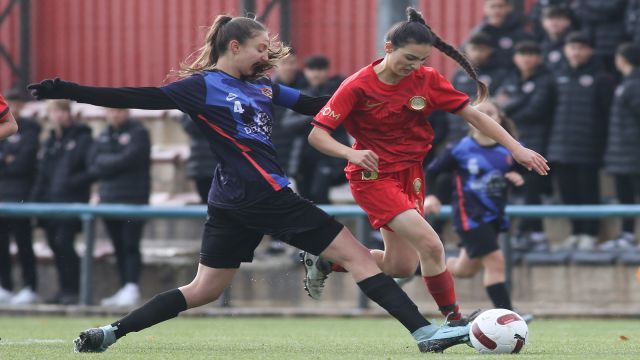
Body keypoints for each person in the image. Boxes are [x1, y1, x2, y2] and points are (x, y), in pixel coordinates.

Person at [29, 15, 476, 354]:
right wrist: (68, 89)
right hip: (264, 193)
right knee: (360, 258)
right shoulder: (200, 87)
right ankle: (424, 333)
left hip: (230, 199)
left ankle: (110, 333)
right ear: (235, 45)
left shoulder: (263, 88)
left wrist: (388, 92)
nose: (267, 56)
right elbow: (135, 97)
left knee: (203, 290)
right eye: (261, 48)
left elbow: (323, 105)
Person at [303, 7, 548, 326]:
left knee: (400, 266)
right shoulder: (357, 85)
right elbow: (317, 135)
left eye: (422, 60)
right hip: (373, 175)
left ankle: (327, 260)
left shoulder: (426, 79)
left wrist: (516, 148)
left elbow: (474, 115)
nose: (415, 67)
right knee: (432, 245)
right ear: (389, 48)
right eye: (410, 58)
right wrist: (350, 154)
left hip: (411, 174)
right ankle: (455, 321)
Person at [424, 101, 525, 313]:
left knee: (465, 269)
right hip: (469, 216)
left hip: (495, 216)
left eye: (491, 113)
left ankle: (416, 270)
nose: (486, 117)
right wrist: (432, 196)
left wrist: (516, 176)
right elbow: (432, 172)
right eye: (480, 114)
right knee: (496, 262)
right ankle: (508, 315)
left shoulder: (510, 149)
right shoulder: (460, 149)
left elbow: (523, 173)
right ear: (470, 119)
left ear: (499, 119)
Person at [547, 32, 613, 250]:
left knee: (588, 192)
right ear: (565, 51)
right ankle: (575, 232)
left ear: (590, 51)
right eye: (572, 48)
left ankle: (590, 233)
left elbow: (607, 115)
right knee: (568, 193)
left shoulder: (602, 78)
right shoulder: (557, 76)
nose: (576, 52)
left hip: (588, 146)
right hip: (560, 146)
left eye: (581, 48)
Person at [30, 99, 94, 305]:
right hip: (50, 203)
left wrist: (70, 183)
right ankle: (63, 289)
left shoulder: (83, 137)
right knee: (54, 245)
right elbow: (42, 174)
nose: (58, 115)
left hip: (71, 202)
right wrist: (35, 201)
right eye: (54, 111)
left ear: (69, 113)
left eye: (62, 111)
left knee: (64, 243)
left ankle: (73, 290)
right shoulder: (50, 142)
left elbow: (90, 170)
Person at [494, 41, 554, 252]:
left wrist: (511, 106)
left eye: (531, 54)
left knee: (532, 185)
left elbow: (536, 109)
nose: (526, 59)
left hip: (538, 143)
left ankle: (533, 231)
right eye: (522, 54)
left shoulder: (546, 80)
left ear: (539, 58)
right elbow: (498, 106)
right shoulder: (510, 78)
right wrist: (520, 101)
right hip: (512, 143)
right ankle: (515, 231)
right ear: (515, 58)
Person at [89, 108, 151, 307]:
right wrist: (114, 163)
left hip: (133, 198)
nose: (115, 115)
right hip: (109, 199)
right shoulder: (104, 134)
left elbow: (131, 159)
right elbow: (92, 164)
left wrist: (107, 163)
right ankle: (124, 286)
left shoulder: (139, 132)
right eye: (111, 111)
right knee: (117, 245)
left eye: (119, 110)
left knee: (130, 244)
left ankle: (132, 286)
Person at [281, 55, 347, 204]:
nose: (316, 74)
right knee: (306, 200)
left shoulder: (337, 93)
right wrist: (316, 115)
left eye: (320, 70)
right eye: (312, 70)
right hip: (303, 159)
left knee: (320, 196)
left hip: (329, 157)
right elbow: (287, 124)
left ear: (327, 71)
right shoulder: (301, 94)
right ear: (305, 72)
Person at [0, 89, 40, 305]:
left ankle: (30, 286)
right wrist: (7, 159)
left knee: (24, 242)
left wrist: (8, 160)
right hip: (3, 193)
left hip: (22, 195)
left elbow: (24, 163)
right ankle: (5, 285)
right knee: (1, 243)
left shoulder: (30, 128)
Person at [601, 43, 640, 250]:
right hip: (623, 153)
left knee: (630, 195)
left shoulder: (634, 85)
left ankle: (628, 234)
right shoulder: (627, 83)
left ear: (622, 59)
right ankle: (626, 235)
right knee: (625, 195)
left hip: (632, 152)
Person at [468, 0, 533, 70]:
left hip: (511, 76)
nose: (497, 10)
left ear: (509, 8)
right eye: (492, 6)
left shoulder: (520, 31)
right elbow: (466, 55)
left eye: (500, 6)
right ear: (485, 9)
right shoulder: (479, 32)